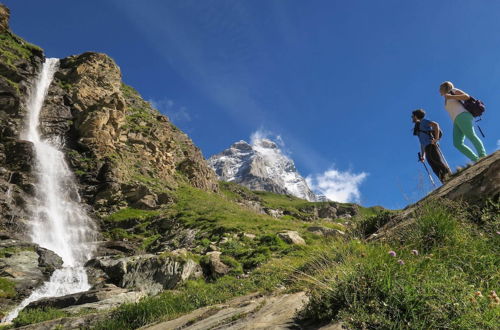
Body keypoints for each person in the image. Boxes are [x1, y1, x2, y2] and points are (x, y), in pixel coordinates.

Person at [439, 81, 486, 162]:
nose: (439, 90)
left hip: (463, 115)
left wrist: (451, 97)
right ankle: (476, 159)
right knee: (457, 143)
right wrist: (448, 98)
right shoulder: (446, 99)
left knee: (471, 135)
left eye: (440, 88)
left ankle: (483, 156)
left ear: (445, 87)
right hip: (456, 121)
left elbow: (466, 96)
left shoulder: (453, 91)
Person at [412, 109, 451, 183]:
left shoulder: (423, 121)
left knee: (438, 162)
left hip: (431, 145)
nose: (412, 118)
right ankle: (445, 181)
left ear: (416, 116)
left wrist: (436, 139)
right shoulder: (417, 127)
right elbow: (422, 143)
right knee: (434, 167)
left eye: (412, 116)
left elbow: (436, 125)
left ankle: (451, 177)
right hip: (427, 148)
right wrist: (423, 156)